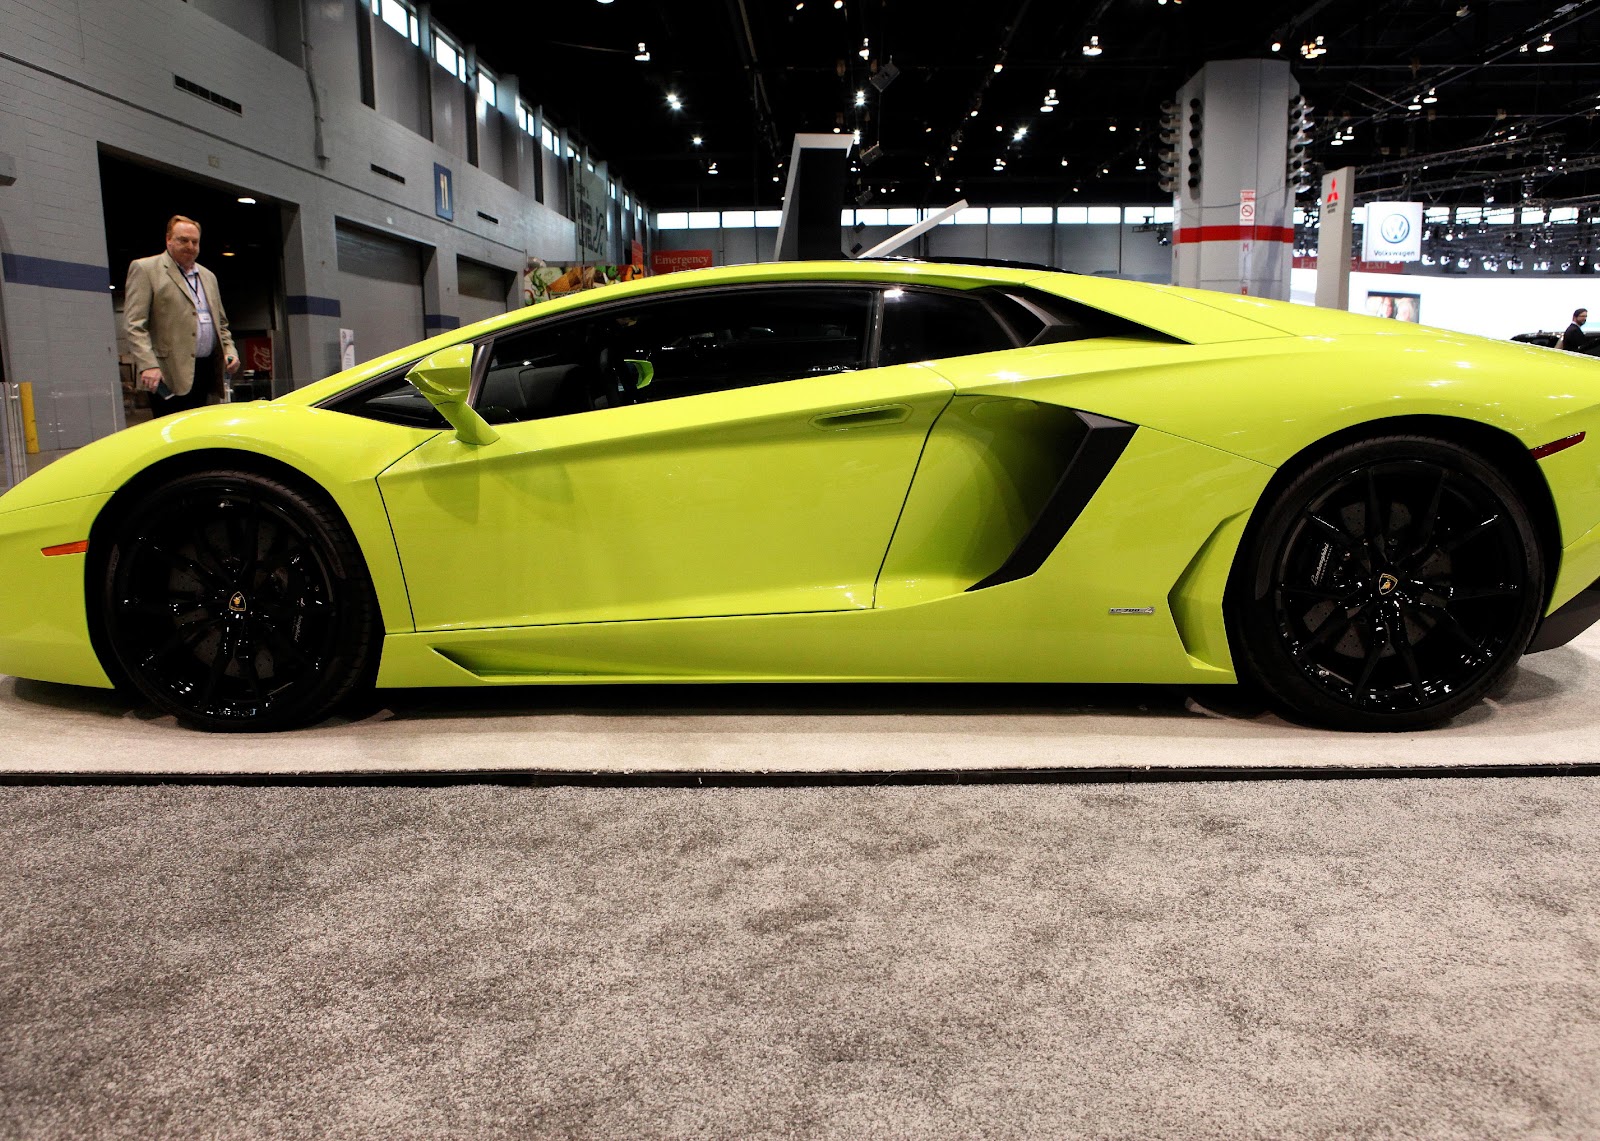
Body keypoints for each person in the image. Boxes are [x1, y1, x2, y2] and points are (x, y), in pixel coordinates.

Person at [123, 215, 238, 416]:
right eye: (183, 240)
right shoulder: (146, 269)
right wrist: (148, 365)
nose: (190, 246)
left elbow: (221, 324)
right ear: (168, 239)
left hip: (206, 370)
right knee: (172, 436)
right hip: (167, 373)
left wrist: (230, 350)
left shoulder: (208, 276)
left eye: (195, 242)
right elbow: (134, 325)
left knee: (200, 434)